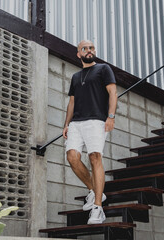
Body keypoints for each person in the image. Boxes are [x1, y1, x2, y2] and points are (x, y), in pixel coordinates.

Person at [63, 40, 117, 224]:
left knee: (95, 157)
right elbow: (72, 102)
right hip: (76, 123)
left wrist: (111, 116)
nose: (88, 50)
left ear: (94, 51)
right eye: (84, 48)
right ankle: (95, 191)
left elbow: (113, 92)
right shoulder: (75, 76)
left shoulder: (103, 69)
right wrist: (66, 124)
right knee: (72, 157)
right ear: (78, 54)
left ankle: (97, 208)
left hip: (96, 120)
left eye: (91, 48)